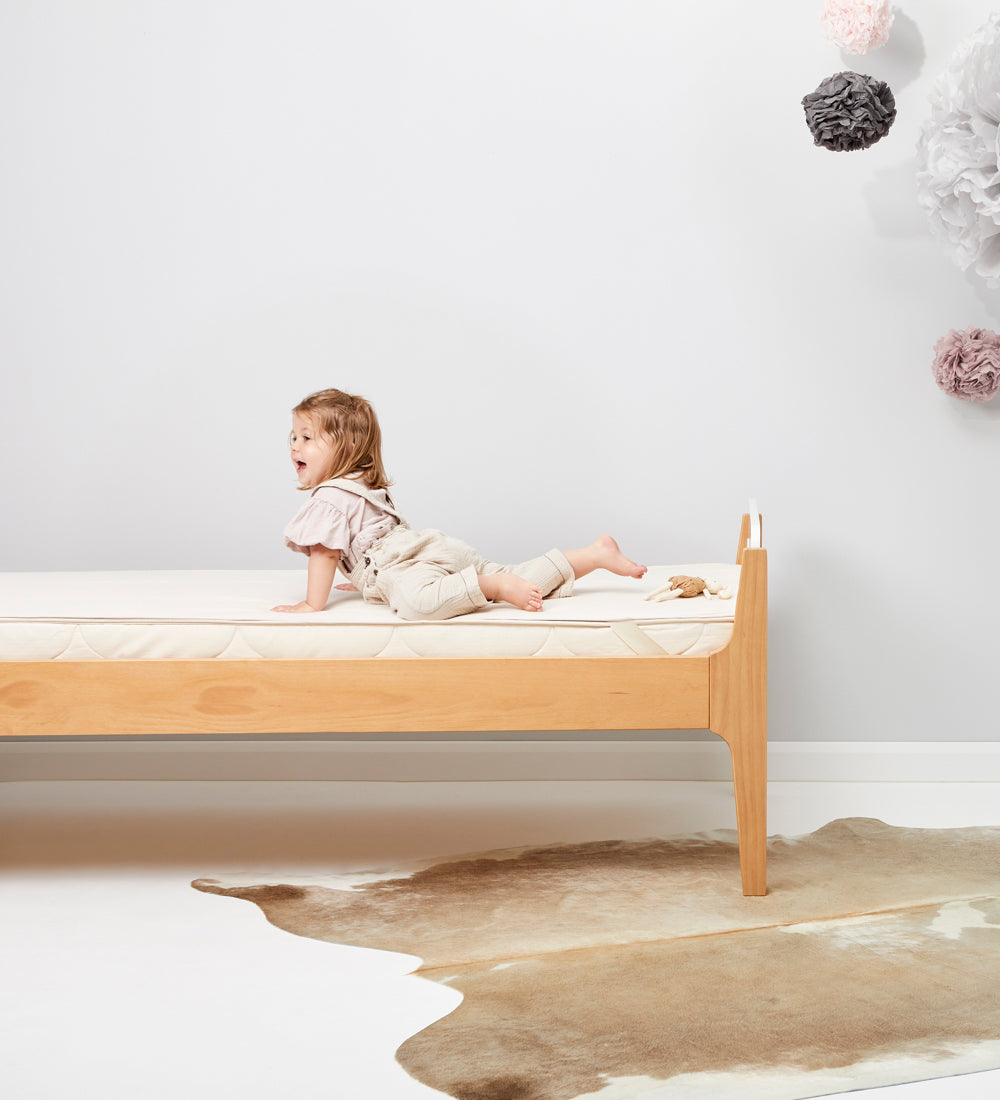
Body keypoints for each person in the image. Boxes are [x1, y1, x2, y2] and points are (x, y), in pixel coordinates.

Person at [271, 388, 647, 618]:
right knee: (520, 573)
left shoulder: (330, 497)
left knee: (417, 603)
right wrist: (367, 582)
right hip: (431, 547)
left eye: (307, 438)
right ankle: (594, 555)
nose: (294, 446)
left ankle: (491, 586)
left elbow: (324, 553)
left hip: (404, 563)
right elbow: (372, 539)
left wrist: (311, 605)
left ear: (348, 447)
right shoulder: (361, 485)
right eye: (293, 436)